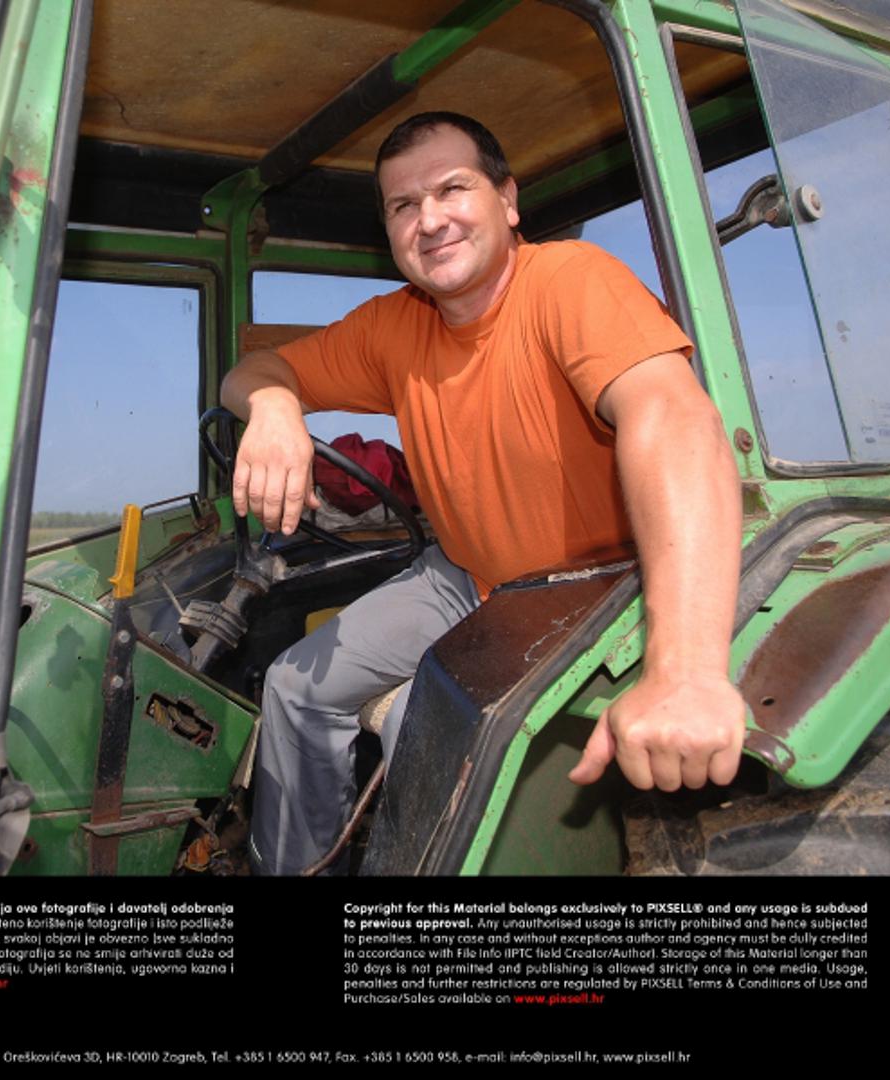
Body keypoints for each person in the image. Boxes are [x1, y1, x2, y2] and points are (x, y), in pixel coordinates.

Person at [220, 112, 746, 875]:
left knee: (424, 721)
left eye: (452, 189)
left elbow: (674, 418)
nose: (429, 219)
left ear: (507, 200)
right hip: (463, 574)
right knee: (294, 685)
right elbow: (254, 371)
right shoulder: (394, 325)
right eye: (403, 205)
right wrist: (274, 409)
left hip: (589, 585)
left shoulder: (571, 281)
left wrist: (688, 673)